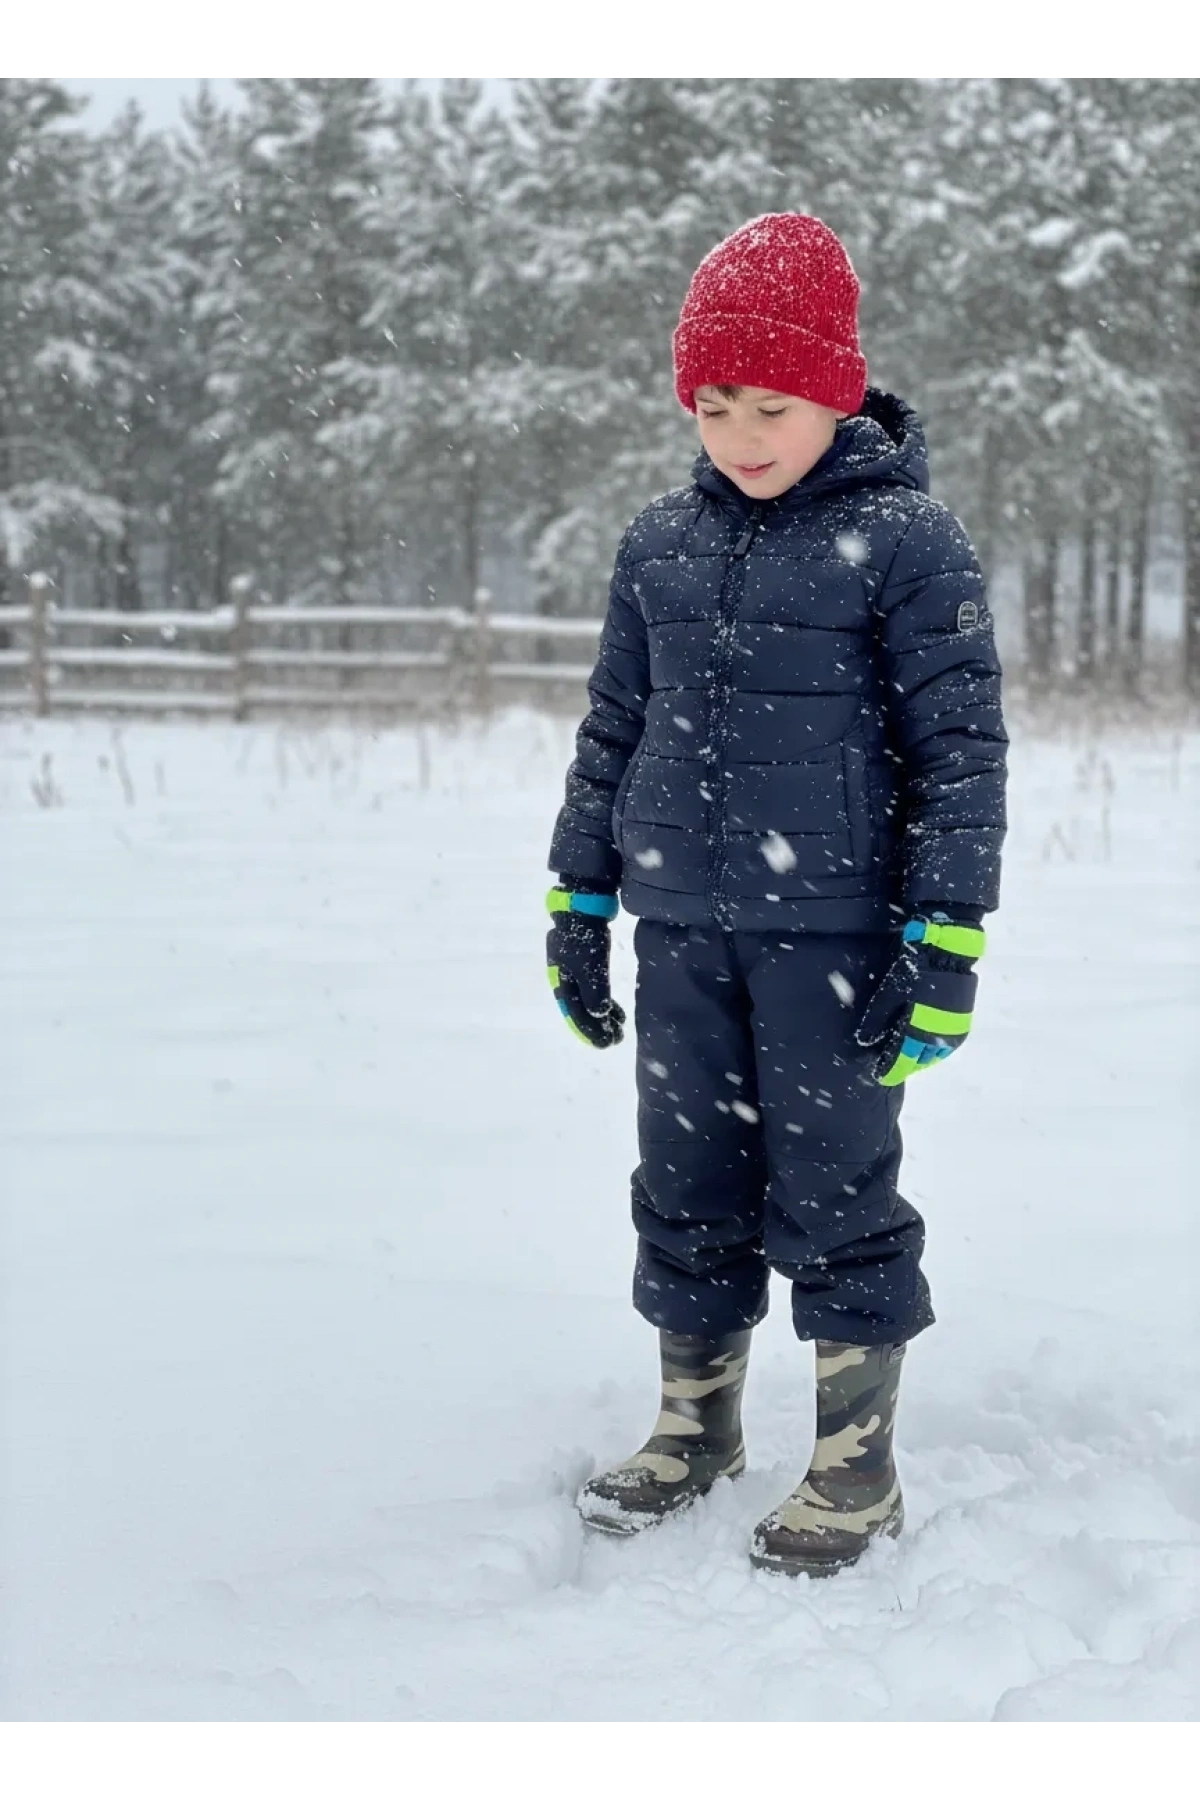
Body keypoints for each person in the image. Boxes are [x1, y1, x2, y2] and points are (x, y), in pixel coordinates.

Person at [545, 213, 1008, 1577]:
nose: (742, 432)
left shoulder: (909, 545)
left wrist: (947, 938)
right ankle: (696, 1423)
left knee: (835, 1184)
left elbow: (960, 753)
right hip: (682, 928)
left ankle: (854, 1464)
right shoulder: (657, 546)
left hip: (839, 938)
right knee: (686, 1179)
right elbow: (611, 727)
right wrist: (579, 903)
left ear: (839, 395)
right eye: (714, 403)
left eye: (774, 403)